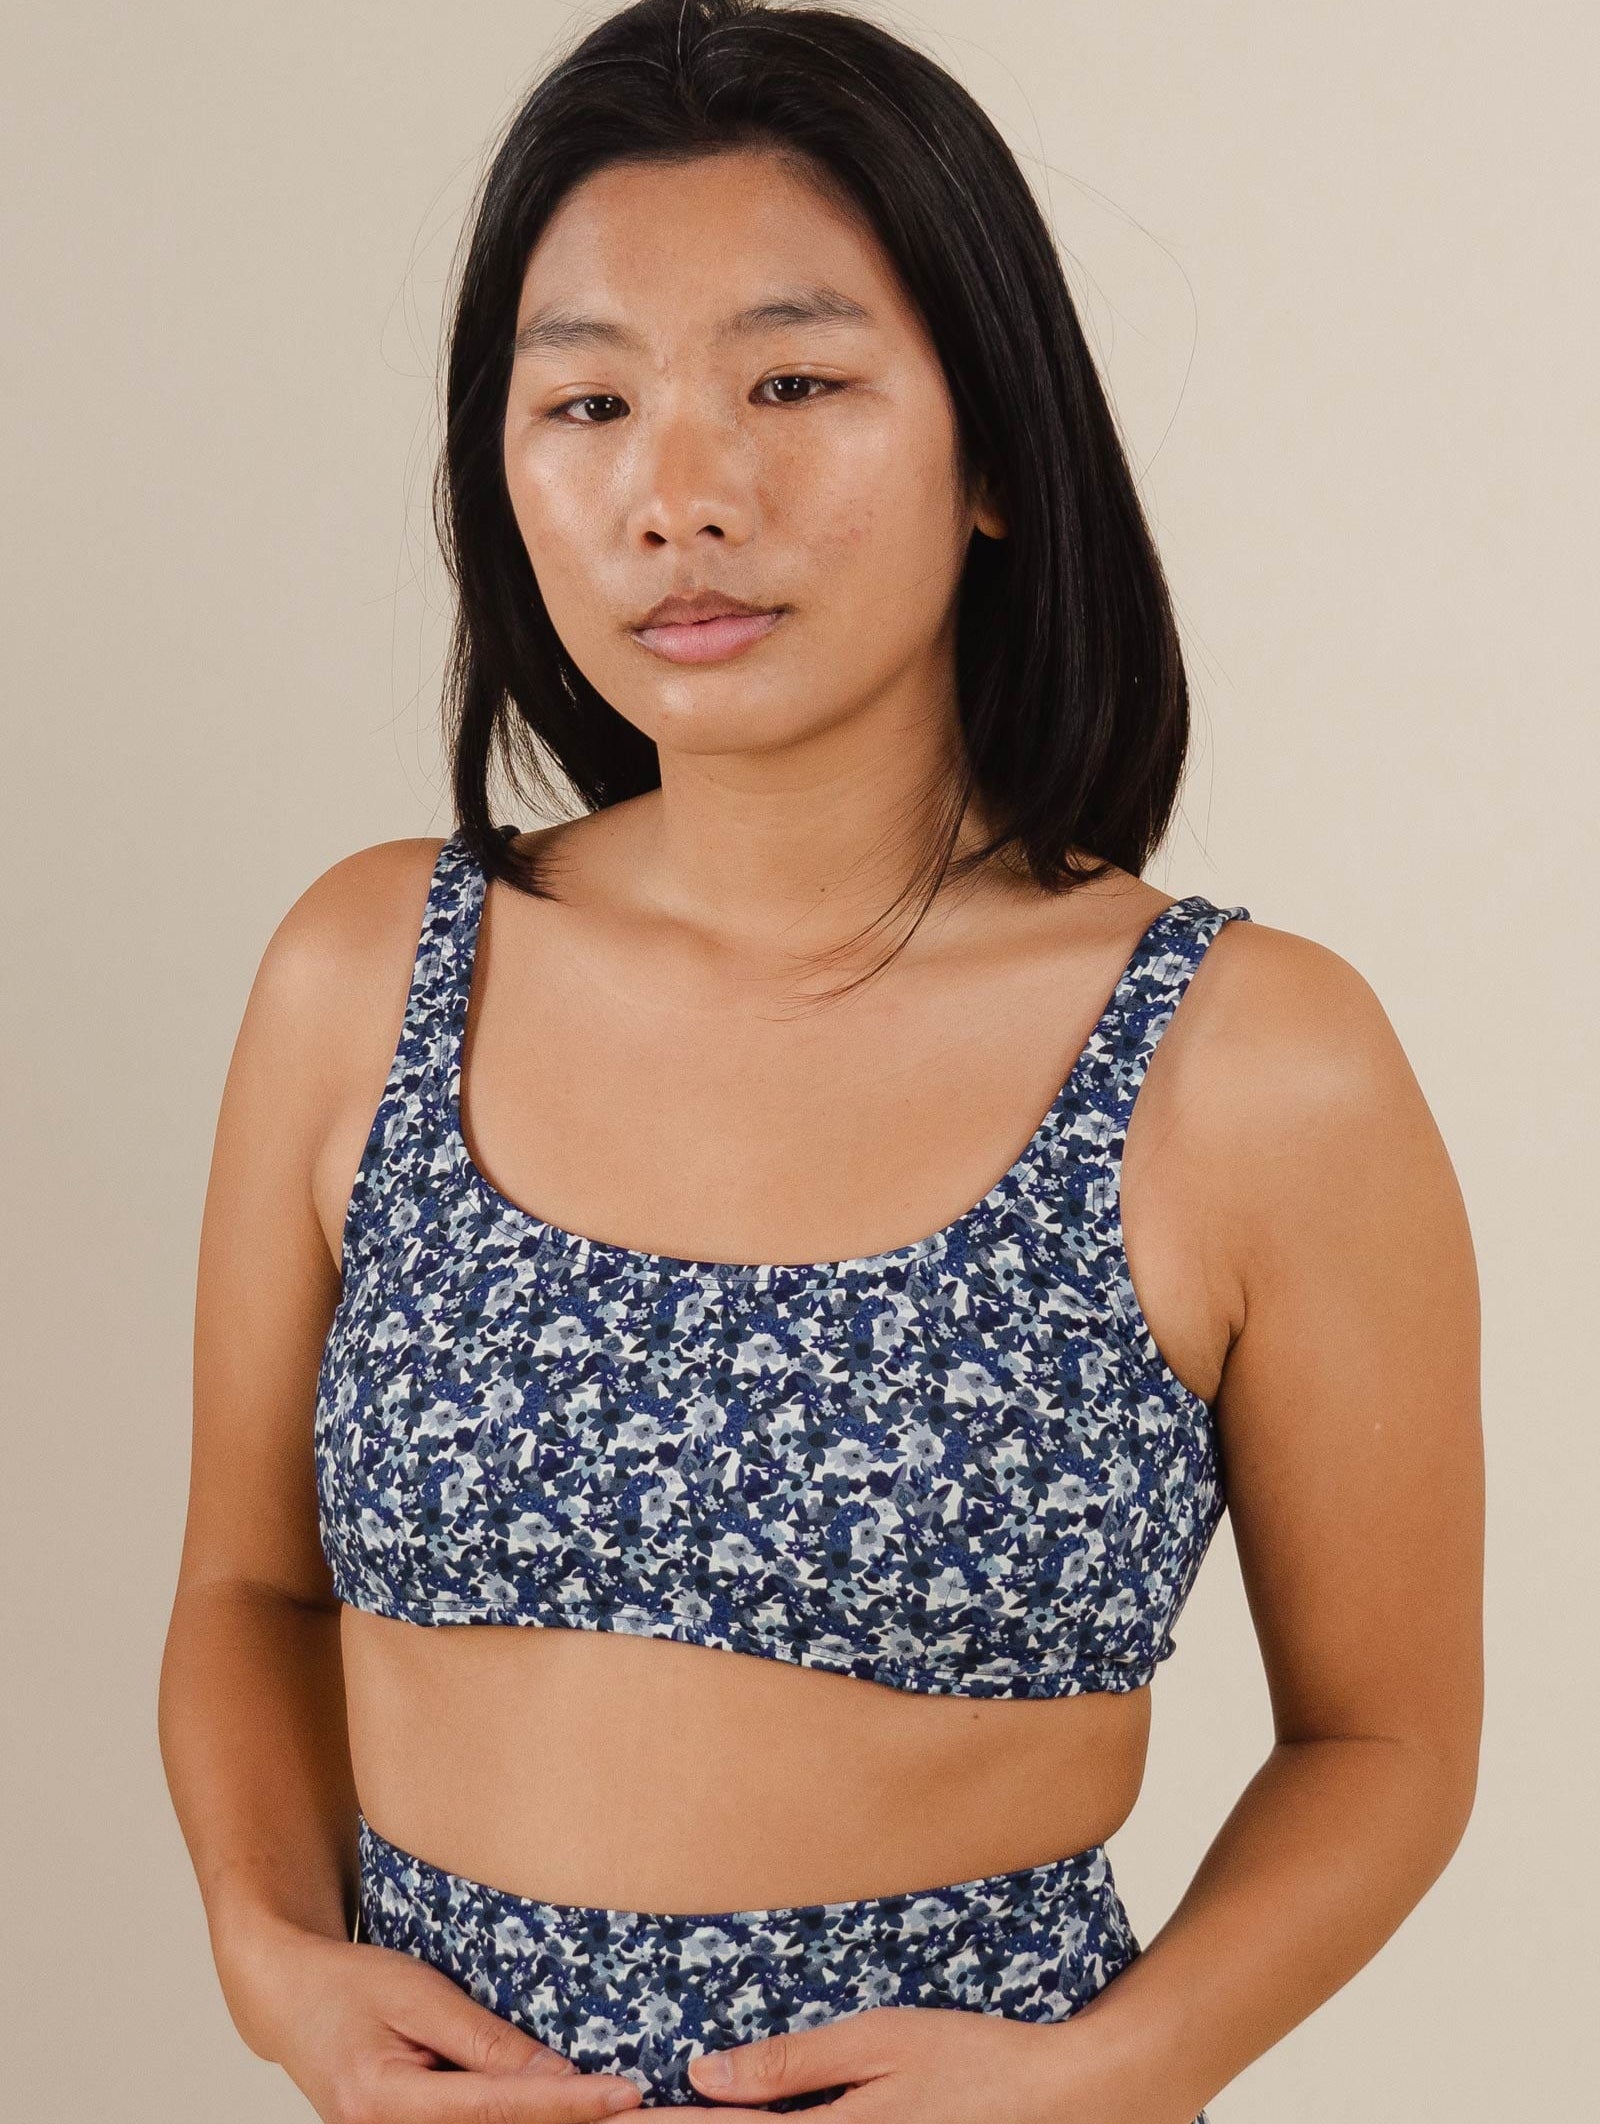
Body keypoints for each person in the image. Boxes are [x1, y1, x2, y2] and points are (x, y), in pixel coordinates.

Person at [158, 3, 1484, 2119]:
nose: (680, 495)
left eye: (791, 383)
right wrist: (270, 1966)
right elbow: (245, 1592)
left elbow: (1386, 1743)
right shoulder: (367, 972)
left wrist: (1113, 2074)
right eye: (588, 401)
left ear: (993, 454)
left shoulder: (1247, 1063)